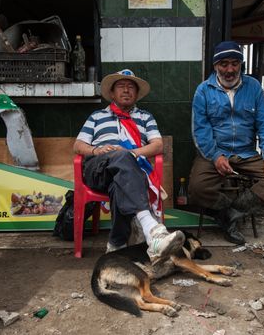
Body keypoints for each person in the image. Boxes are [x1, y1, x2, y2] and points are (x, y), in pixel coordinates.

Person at [73, 69, 185, 263]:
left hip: (129, 171)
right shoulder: (97, 116)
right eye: (121, 87)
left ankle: (115, 246)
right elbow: (78, 145)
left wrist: (131, 154)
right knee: (122, 163)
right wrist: (95, 151)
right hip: (98, 169)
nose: (126, 91)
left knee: (121, 184)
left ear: (136, 94)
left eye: (130, 87)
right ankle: (152, 230)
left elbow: (158, 145)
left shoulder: (145, 117)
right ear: (112, 94)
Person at [188, 41, 264, 245]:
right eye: (224, 64)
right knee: (196, 188)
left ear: (240, 64)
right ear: (216, 65)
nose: (229, 69)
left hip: (246, 153)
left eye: (235, 63)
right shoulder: (203, 90)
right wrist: (216, 156)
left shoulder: (253, 87)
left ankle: (232, 213)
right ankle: (228, 213)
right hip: (215, 152)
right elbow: (200, 129)